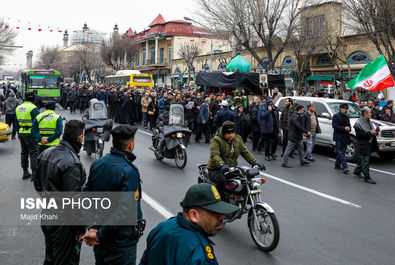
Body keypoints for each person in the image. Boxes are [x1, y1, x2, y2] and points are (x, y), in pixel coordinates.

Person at [82, 125, 143, 265]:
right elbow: (125, 212)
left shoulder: (98, 163)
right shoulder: (129, 171)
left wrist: (92, 227)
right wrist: (99, 234)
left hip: (101, 238)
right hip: (121, 242)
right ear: (131, 145)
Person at [140, 183, 239, 265]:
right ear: (194, 215)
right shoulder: (199, 255)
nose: (221, 217)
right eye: (214, 213)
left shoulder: (162, 227)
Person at [34, 120, 86, 265]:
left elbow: (38, 184)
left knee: (50, 258)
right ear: (80, 138)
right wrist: (81, 228)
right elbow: (73, 202)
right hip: (64, 223)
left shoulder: (46, 153)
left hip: (47, 215)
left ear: (63, 134)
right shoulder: (72, 162)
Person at [207, 121, 265, 195]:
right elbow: (215, 155)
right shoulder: (216, 140)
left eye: (232, 133)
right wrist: (222, 165)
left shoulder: (238, 139)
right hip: (216, 169)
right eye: (228, 133)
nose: (231, 135)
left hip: (231, 168)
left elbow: (245, 152)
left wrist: (254, 162)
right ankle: (219, 201)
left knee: (246, 180)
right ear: (224, 132)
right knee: (221, 181)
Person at [15, 91, 40, 179]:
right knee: (34, 153)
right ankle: (34, 174)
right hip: (31, 134)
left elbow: (16, 123)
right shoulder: (33, 108)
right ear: (33, 98)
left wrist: (18, 133)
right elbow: (37, 122)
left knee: (24, 153)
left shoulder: (18, 108)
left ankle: (25, 173)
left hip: (21, 133)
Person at [353, 108, 377, 184]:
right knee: (365, 161)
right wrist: (370, 132)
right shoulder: (358, 124)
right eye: (369, 113)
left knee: (362, 158)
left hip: (369, 143)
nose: (371, 114)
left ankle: (357, 171)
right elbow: (360, 135)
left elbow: (372, 131)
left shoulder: (369, 121)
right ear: (365, 114)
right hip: (362, 144)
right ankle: (367, 177)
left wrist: (375, 131)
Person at [332, 103, 351, 174]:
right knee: (341, 152)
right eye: (345, 109)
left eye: (347, 109)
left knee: (342, 152)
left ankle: (337, 164)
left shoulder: (347, 117)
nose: (346, 110)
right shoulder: (336, 116)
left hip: (345, 137)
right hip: (339, 137)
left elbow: (349, 126)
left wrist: (349, 129)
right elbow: (334, 126)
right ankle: (345, 167)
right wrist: (344, 128)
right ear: (341, 109)